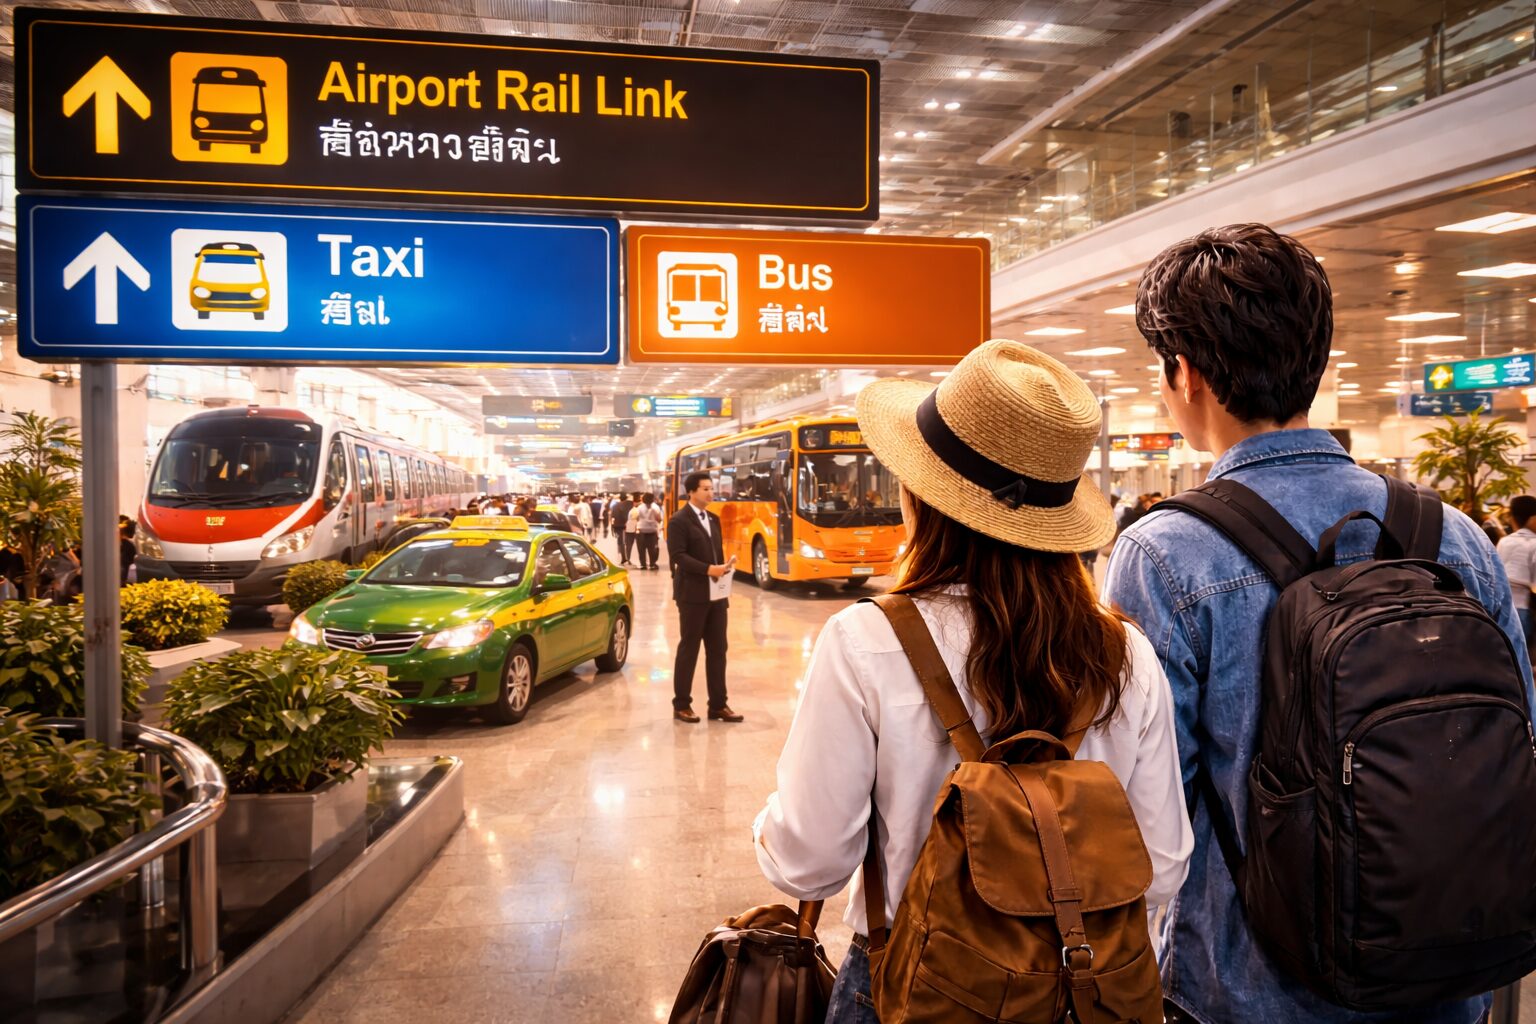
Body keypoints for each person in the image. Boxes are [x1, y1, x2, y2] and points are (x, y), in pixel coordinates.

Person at [1103, 223, 1531, 1024]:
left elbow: (1149, 812)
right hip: (1447, 977)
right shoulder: (1457, 539)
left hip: (1249, 987)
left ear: (1184, 373)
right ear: (1316, 359)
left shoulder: (1165, 553)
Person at [754, 340, 1192, 1023]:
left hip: (908, 986)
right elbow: (1161, 867)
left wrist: (770, 827)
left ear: (923, 495)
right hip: (1083, 994)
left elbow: (808, 862)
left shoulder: (865, 641)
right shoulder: (1124, 654)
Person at [667, 472, 740, 723]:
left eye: (711, 488)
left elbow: (714, 553)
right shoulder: (678, 520)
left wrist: (724, 567)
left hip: (717, 595)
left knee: (718, 649)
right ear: (691, 492)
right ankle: (681, 705)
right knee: (689, 648)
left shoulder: (713, 518)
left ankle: (718, 705)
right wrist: (709, 570)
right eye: (705, 489)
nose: (711, 493)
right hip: (692, 595)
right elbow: (678, 556)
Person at [1497, 494, 1536, 660]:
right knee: (1521, 658)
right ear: (1533, 519)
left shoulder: (1504, 542)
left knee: (1506, 657)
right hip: (1523, 610)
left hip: (1501, 609)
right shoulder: (1534, 543)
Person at [632, 492, 663, 570]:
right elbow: (659, 519)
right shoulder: (656, 507)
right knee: (652, 549)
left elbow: (635, 518)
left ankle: (643, 564)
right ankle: (652, 564)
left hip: (641, 530)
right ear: (653, 499)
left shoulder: (639, 507)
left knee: (641, 549)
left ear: (643, 499)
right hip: (652, 531)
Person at [612, 493, 635, 565]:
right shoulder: (630, 504)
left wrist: (613, 527)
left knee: (621, 542)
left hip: (618, 526)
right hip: (629, 525)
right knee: (628, 542)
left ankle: (623, 557)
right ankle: (628, 558)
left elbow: (613, 517)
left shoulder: (615, 506)